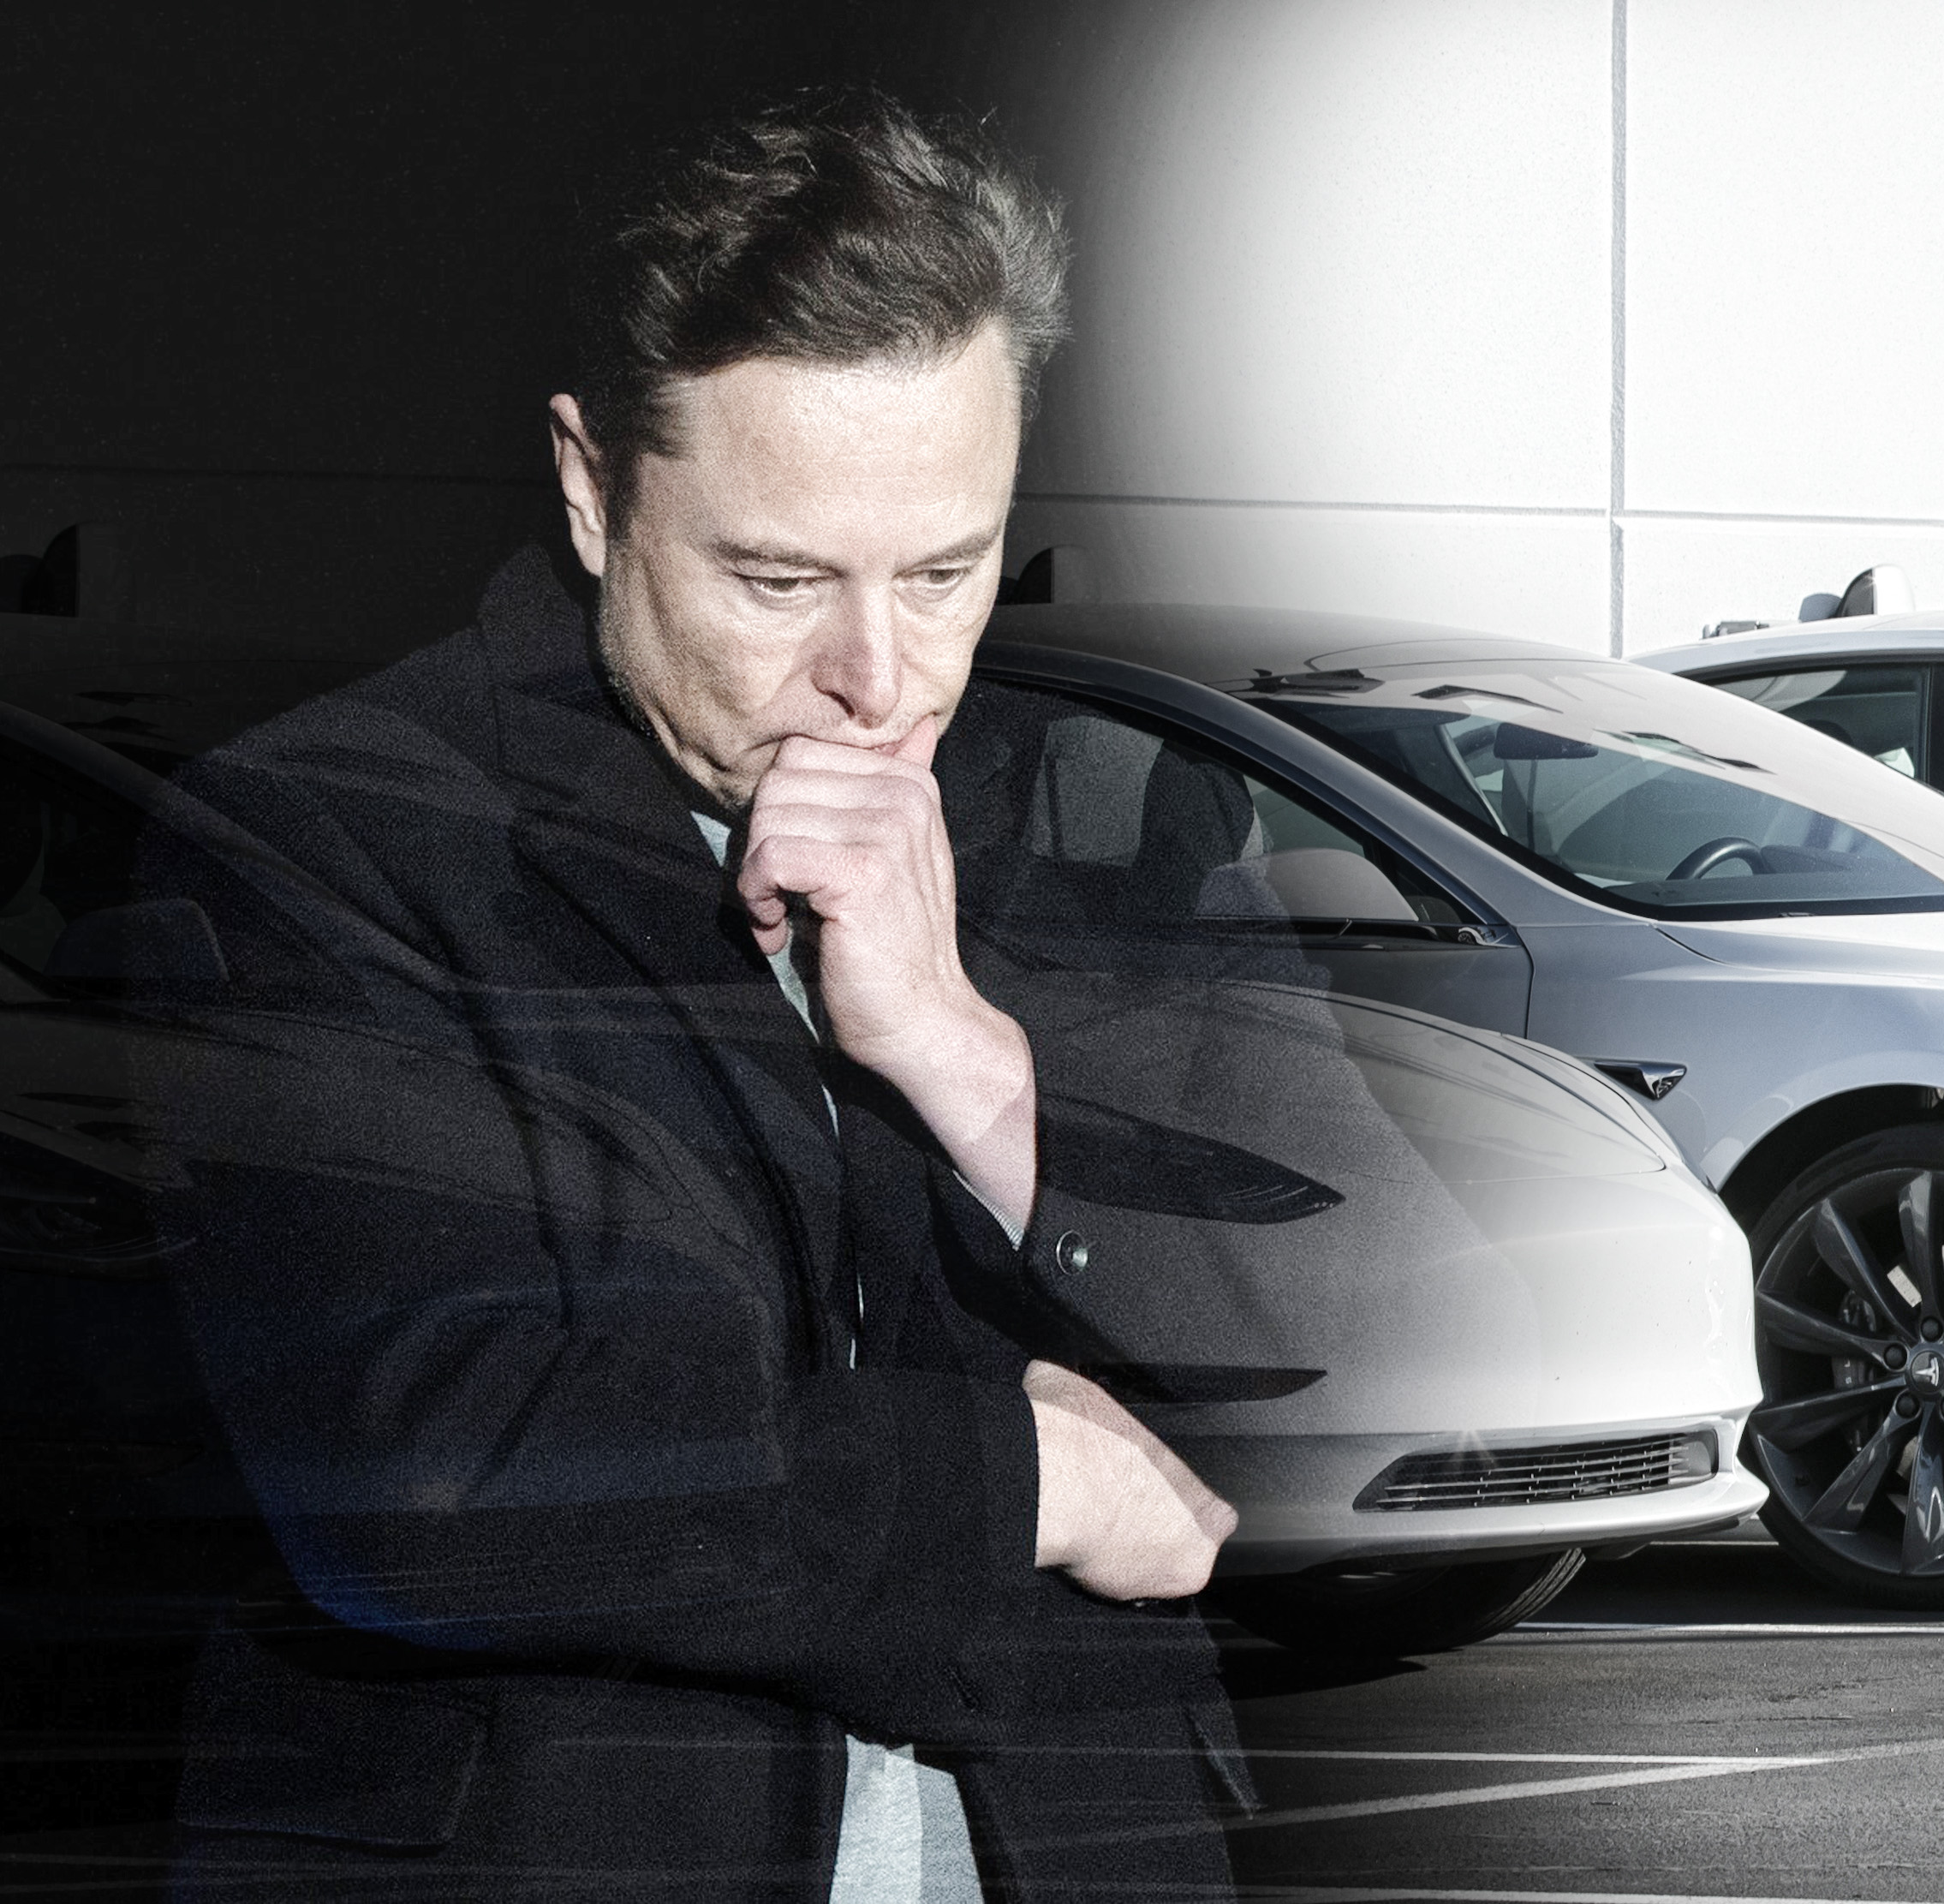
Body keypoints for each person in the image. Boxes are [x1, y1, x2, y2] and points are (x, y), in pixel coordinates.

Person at [133, 92, 1246, 1901]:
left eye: (946, 571)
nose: (878, 677)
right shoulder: (328, 838)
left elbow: (1304, 1361)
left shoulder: (1087, 826)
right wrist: (1030, 1484)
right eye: (778, 578)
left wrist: (967, 1060)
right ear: (595, 489)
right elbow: (440, 1478)